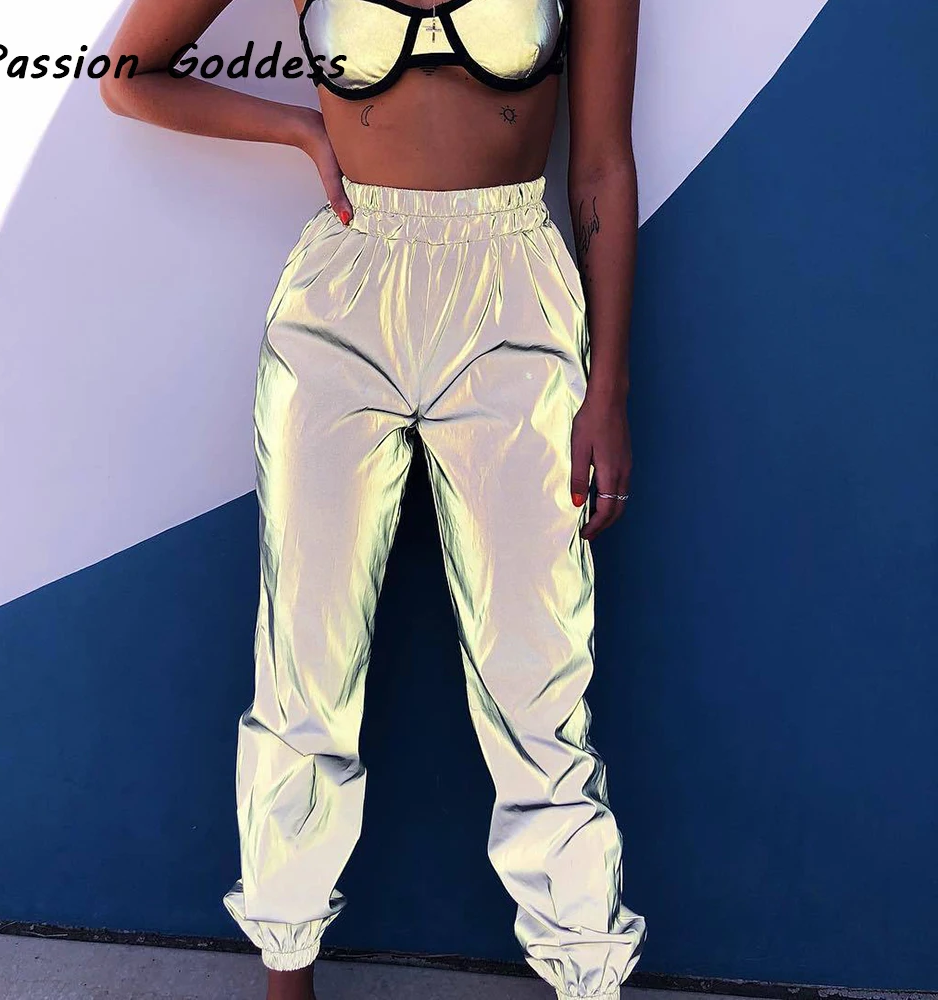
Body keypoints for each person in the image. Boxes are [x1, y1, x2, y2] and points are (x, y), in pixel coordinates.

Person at [100, 0, 646, 997]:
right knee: (304, 662)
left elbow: (602, 165)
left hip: (517, 295)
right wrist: (301, 128)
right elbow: (131, 76)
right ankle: (286, 971)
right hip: (342, 303)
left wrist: (606, 388)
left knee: (539, 676)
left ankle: (585, 976)